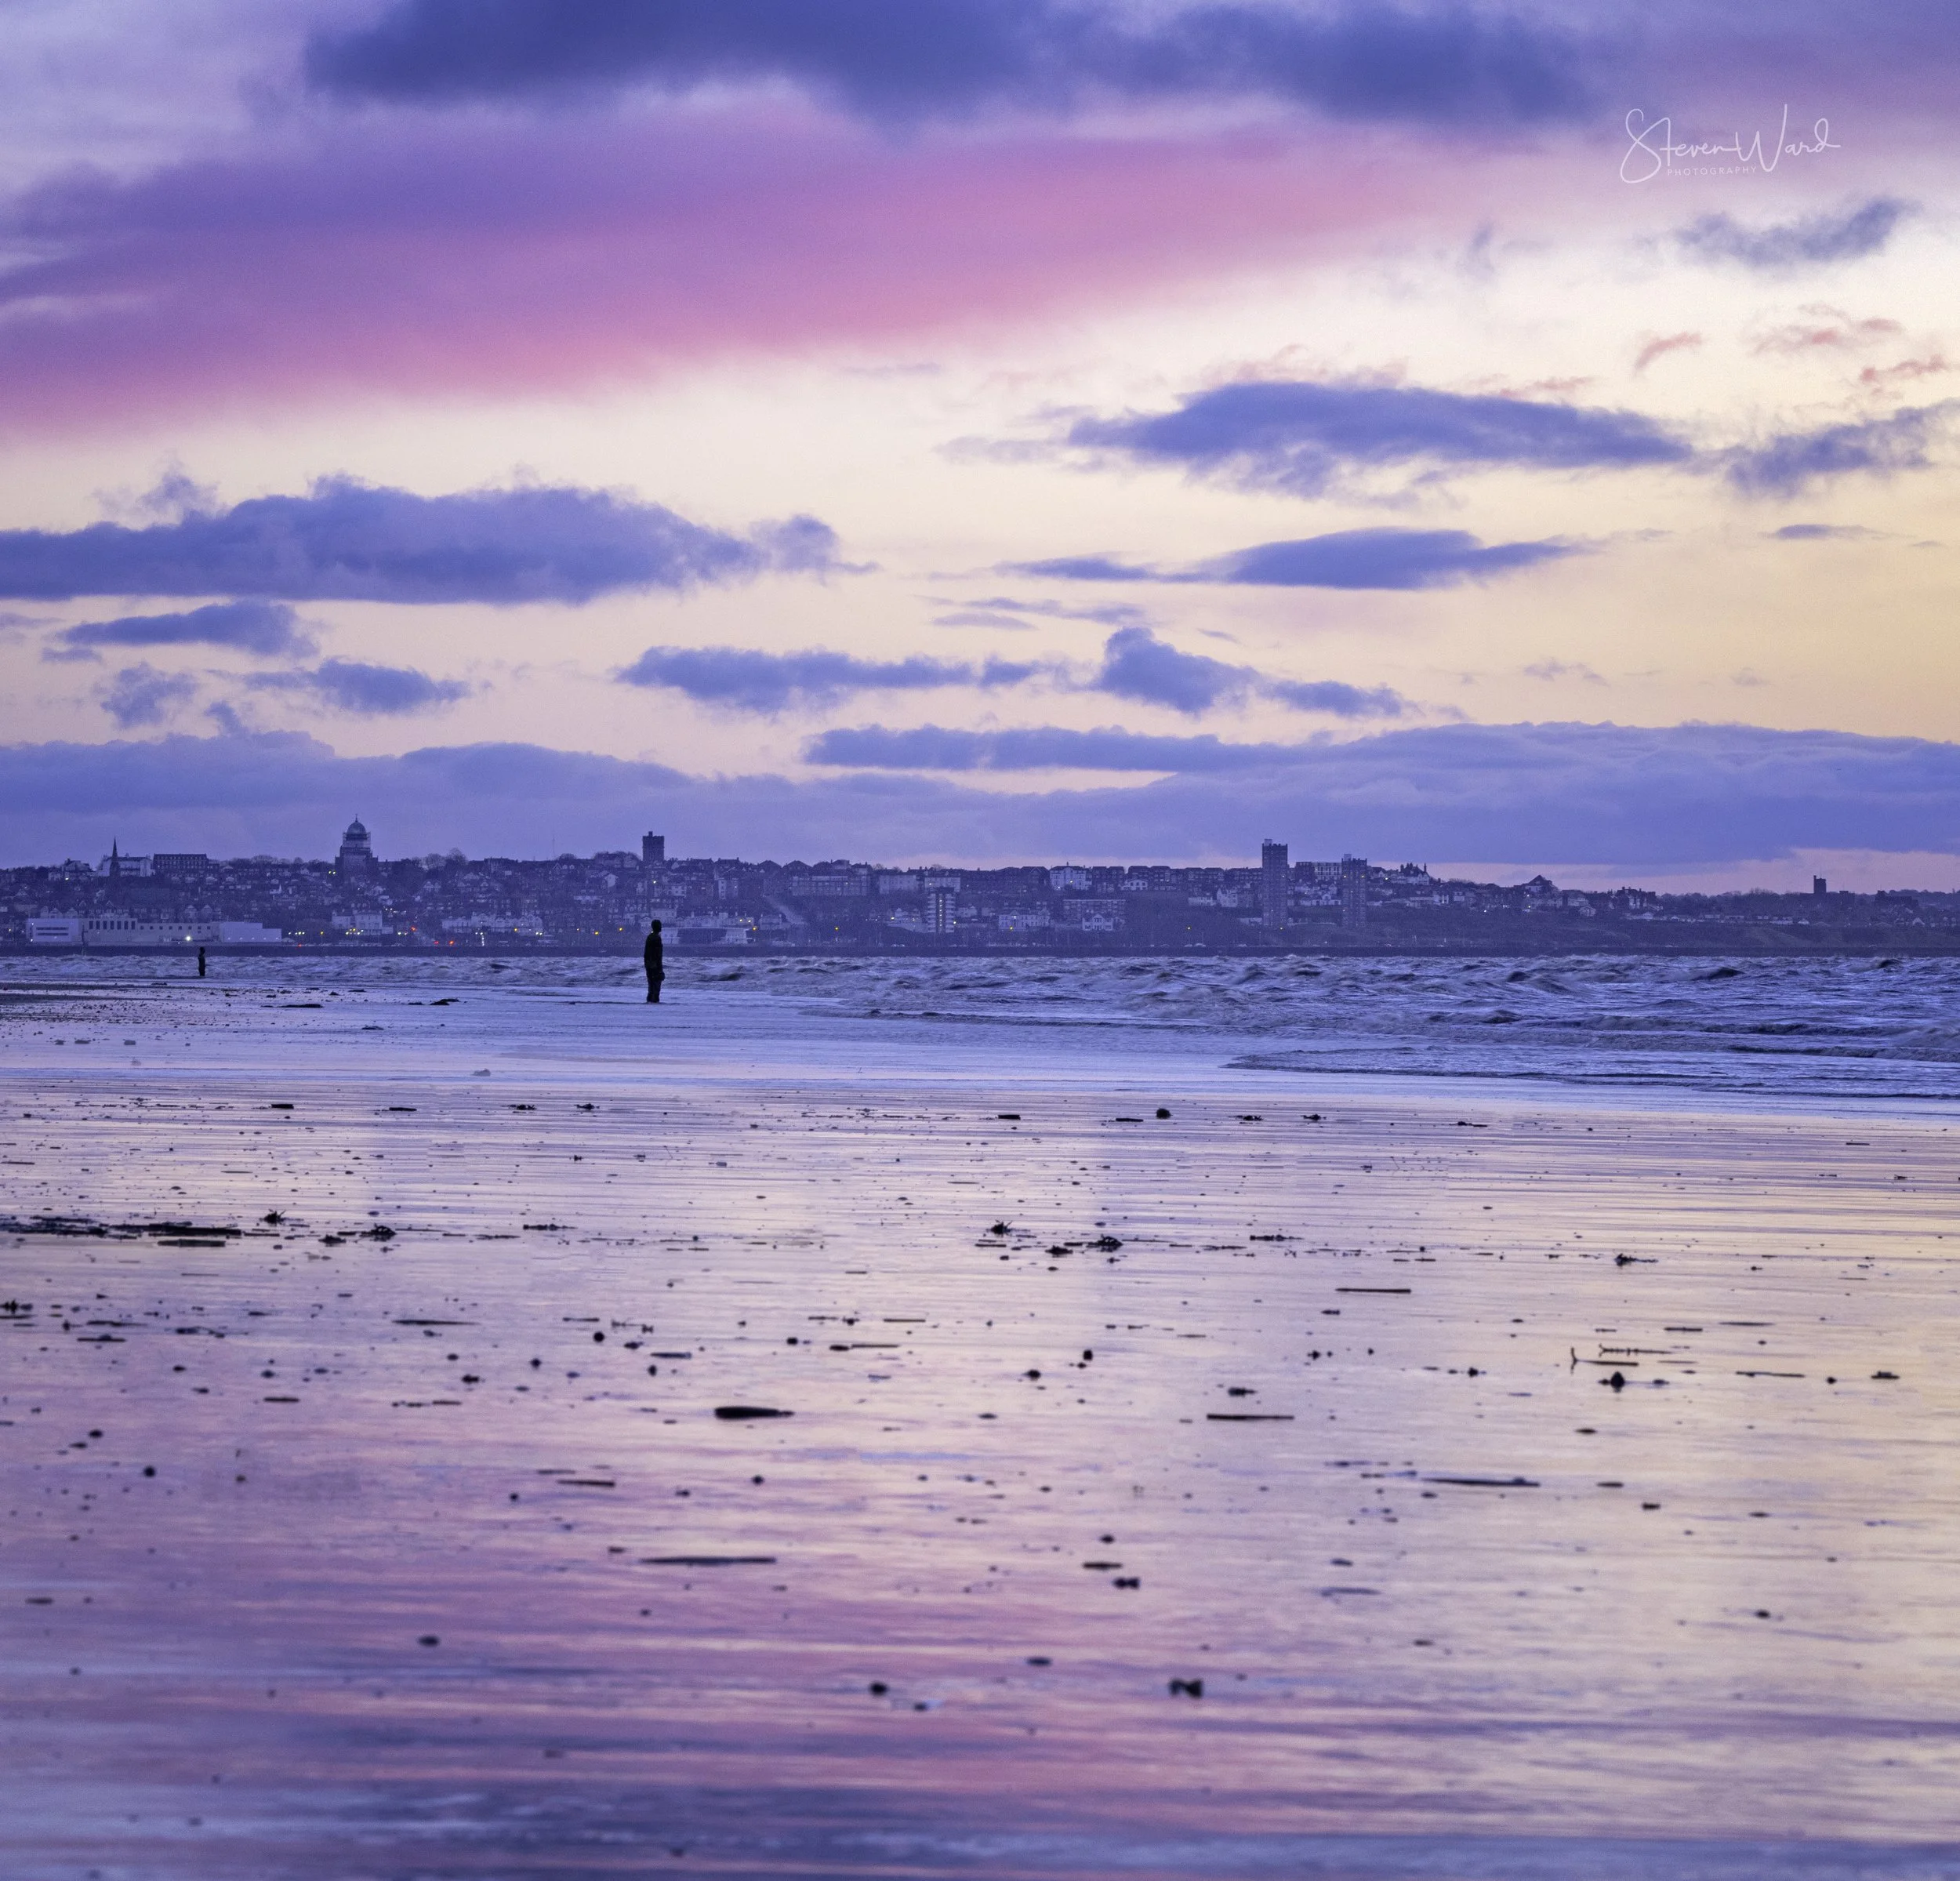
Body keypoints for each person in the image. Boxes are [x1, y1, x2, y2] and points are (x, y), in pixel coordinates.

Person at [644, 919, 664, 1004]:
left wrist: (647, 964)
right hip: (655, 965)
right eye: (660, 925)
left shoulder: (649, 937)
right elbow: (658, 955)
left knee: (651, 986)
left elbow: (646, 953)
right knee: (656, 986)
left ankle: (650, 1001)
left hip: (649, 965)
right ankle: (654, 1001)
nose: (661, 927)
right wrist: (660, 968)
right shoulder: (657, 938)